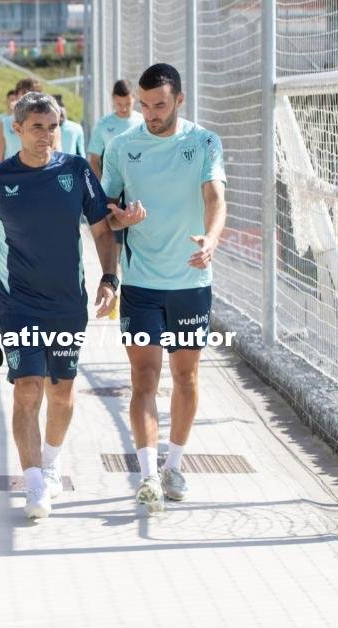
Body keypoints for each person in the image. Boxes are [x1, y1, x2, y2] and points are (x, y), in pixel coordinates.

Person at [0, 92, 125, 518]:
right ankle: (34, 481)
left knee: (62, 391)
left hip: (67, 302)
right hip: (18, 302)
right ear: (16, 129)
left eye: (52, 126)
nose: (47, 135)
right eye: (37, 127)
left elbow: (102, 230)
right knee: (28, 388)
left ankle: (52, 463)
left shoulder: (75, 170)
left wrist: (109, 278)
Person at [101, 63, 227, 513]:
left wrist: (210, 240)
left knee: (186, 376)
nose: (150, 113)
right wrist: (122, 218)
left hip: (191, 281)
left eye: (159, 104)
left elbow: (215, 198)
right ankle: (148, 473)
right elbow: (107, 214)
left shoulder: (204, 141)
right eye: (144, 104)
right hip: (141, 284)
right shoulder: (121, 147)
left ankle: (175, 463)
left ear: (178, 100)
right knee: (144, 378)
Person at [87, 79, 142, 179]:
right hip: (113, 184)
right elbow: (94, 160)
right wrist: (102, 187)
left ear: (134, 97)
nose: (124, 109)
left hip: (140, 182)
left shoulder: (143, 122)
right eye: (119, 104)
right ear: (113, 99)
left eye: (128, 104)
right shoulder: (103, 124)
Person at [0, 78, 43, 164]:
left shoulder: (47, 123)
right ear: (17, 96)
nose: (28, 96)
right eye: (24, 93)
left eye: (32, 93)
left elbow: (56, 151)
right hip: (12, 174)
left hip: (39, 174)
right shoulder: (4, 124)